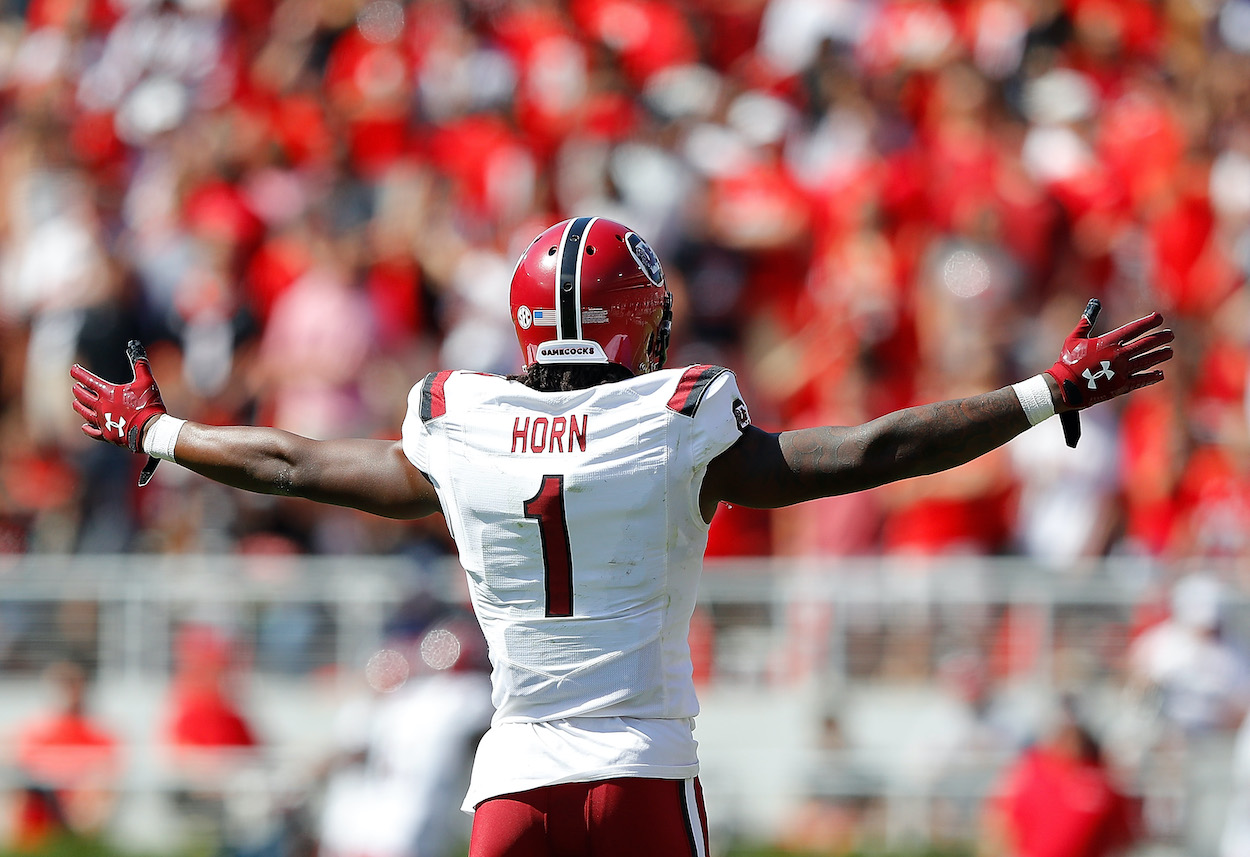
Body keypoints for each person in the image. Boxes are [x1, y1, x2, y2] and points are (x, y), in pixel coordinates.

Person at [70, 216, 1173, 857]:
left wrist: (161, 429)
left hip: (511, 781)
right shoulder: (677, 411)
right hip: (642, 770)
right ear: (639, 318)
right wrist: (1040, 393)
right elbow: (872, 450)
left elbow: (296, 462)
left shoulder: (463, 418)